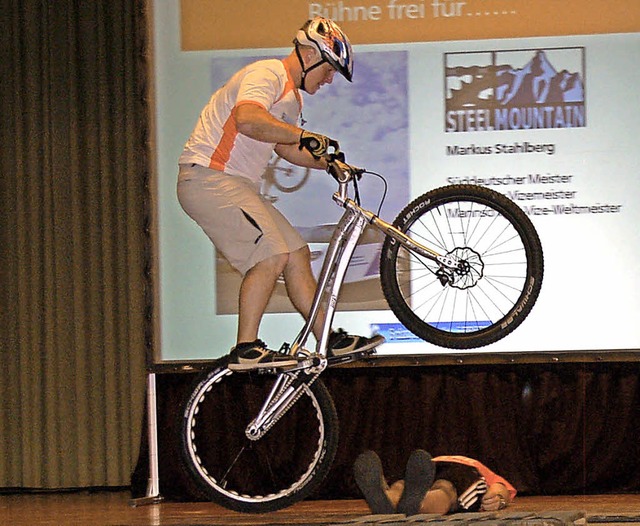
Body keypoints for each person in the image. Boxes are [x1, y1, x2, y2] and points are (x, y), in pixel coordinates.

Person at [177, 17, 384, 370]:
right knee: (270, 256)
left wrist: (329, 165)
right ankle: (245, 348)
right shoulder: (268, 74)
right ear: (309, 54)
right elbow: (246, 118)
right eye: (330, 69)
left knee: (296, 253)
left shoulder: (291, 99)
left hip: (234, 183)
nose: (330, 79)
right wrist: (303, 136)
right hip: (210, 177)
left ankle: (327, 339)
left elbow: (285, 147)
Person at [354, 449, 516, 516]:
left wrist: (497, 497)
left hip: (432, 464)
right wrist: (498, 498)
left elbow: (499, 489)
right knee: (446, 491)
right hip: (461, 471)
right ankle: (416, 505)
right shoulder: (479, 468)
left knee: (401, 486)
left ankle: (388, 498)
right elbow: (500, 487)